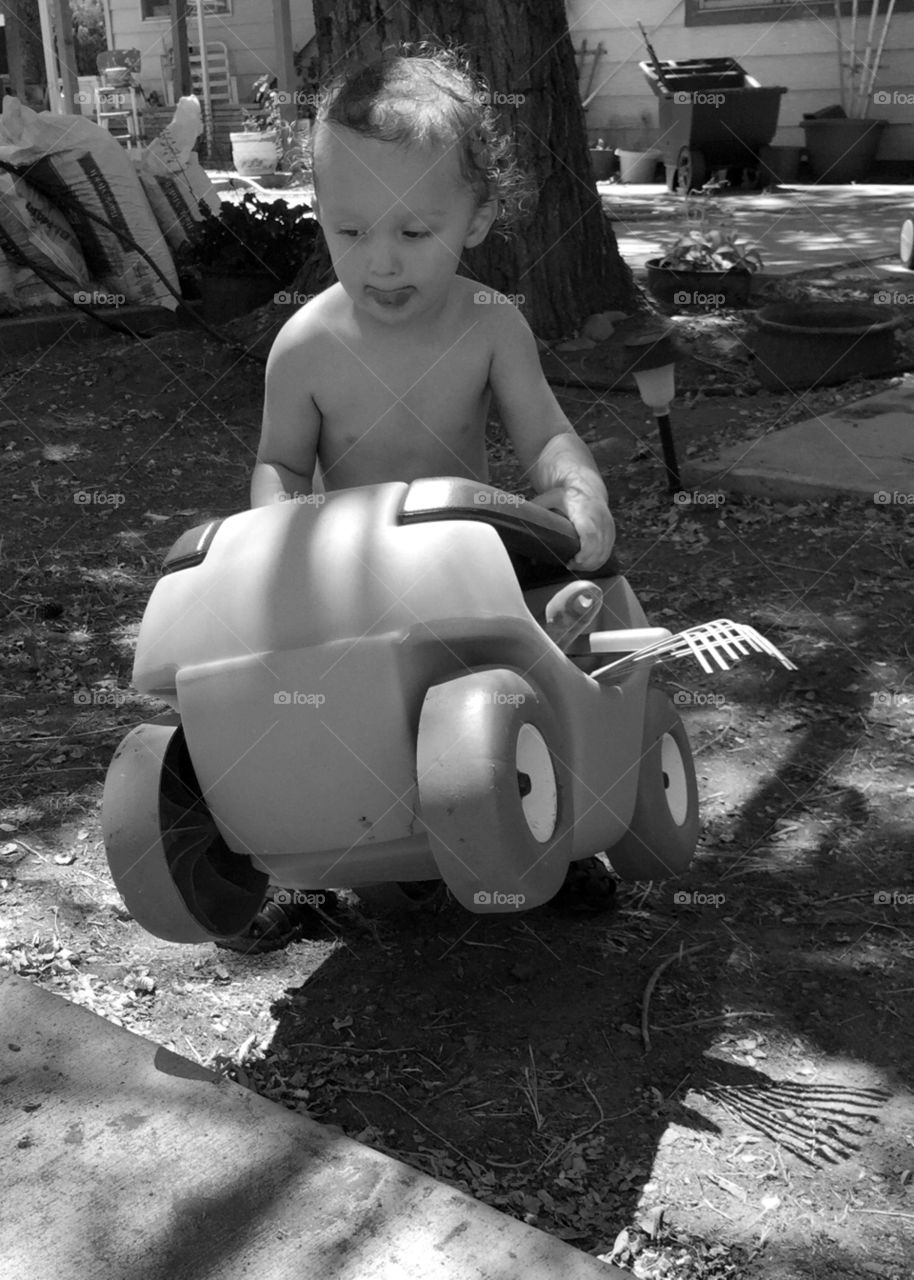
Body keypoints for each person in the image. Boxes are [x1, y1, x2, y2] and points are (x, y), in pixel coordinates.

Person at [222, 46, 618, 953]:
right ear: (318, 211)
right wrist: (276, 527)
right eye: (351, 231)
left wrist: (576, 489)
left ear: (477, 218)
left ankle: (560, 823)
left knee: (545, 653)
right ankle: (300, 864)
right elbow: (280, 463)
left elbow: (546, 436)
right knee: (303, 701)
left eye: (413, 230)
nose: (382, 261)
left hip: (466, 559)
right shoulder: (306, 345)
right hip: (350, 578)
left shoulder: (491, 324)